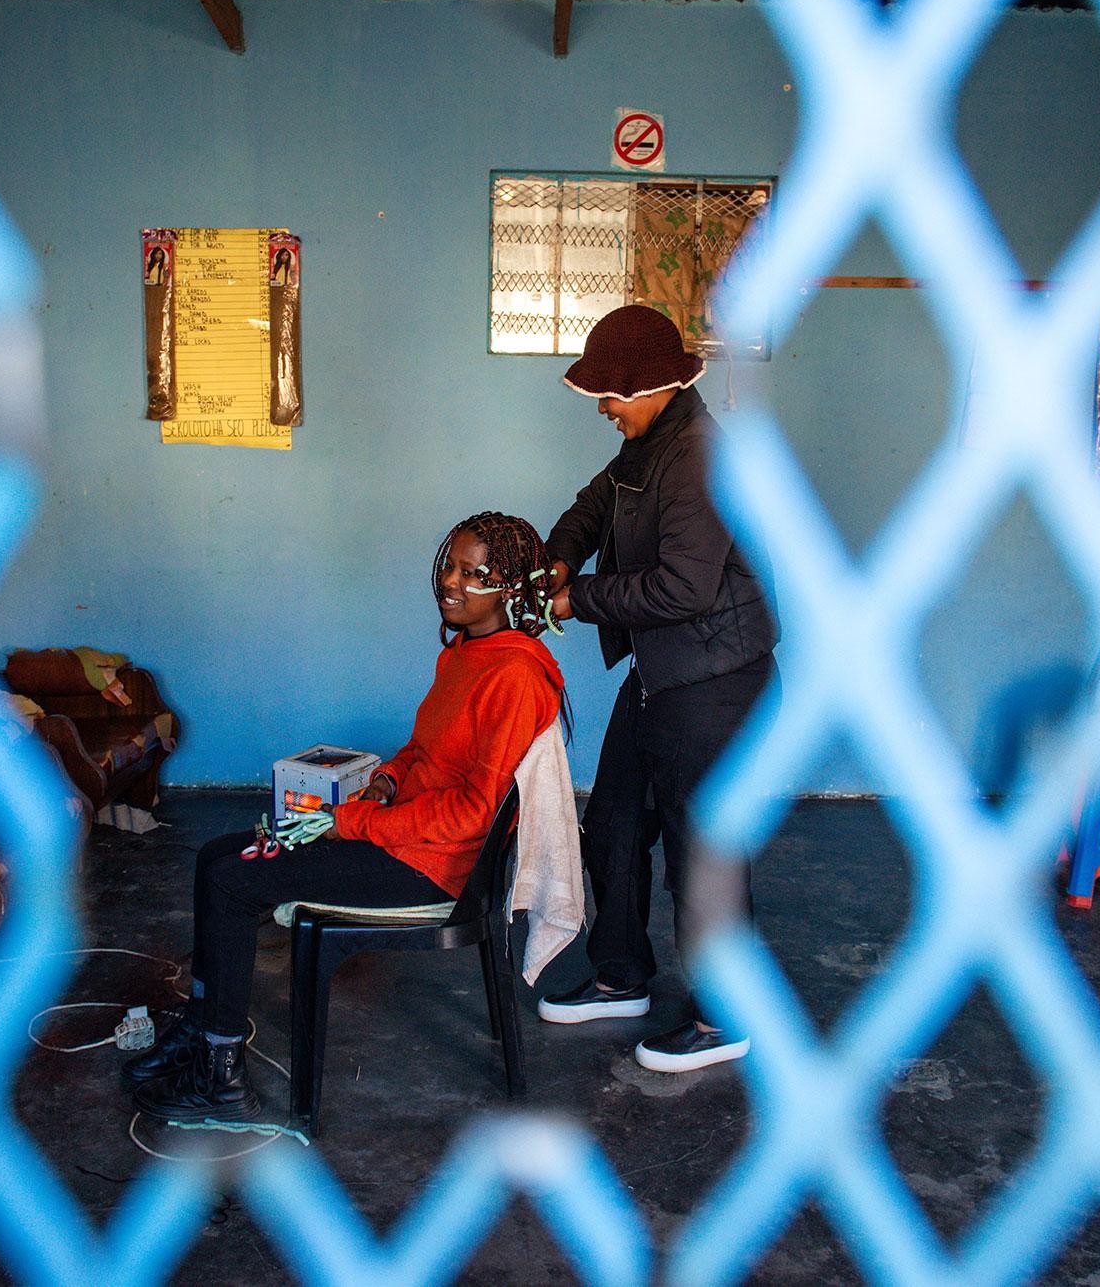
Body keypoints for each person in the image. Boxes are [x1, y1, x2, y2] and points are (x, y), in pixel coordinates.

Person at [126, 512, 565, 1122]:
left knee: (233, 880)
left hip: (433, 869)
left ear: (511, 588)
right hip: (403, 837)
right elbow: (424, 752)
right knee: (215, 856)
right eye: (449, 565)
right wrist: (386, 781)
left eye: (473, 573)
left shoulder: (514, 676)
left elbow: (473, 812)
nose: (450, 582)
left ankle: (220, 1075)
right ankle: (201, 1028)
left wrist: (351, 824)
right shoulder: (465, 653)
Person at [535, 304, 779, 1074]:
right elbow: (593, 505)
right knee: (613, 821)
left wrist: (578, 599)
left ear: (651, 387)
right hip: (663, 672)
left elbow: (683, 588)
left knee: (703, 848)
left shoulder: (699, 455)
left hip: (716, 681)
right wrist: (559, 558)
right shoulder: (649, 443)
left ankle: (727, 1015)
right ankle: (621, 976)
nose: (603, 408)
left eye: (610, 395)